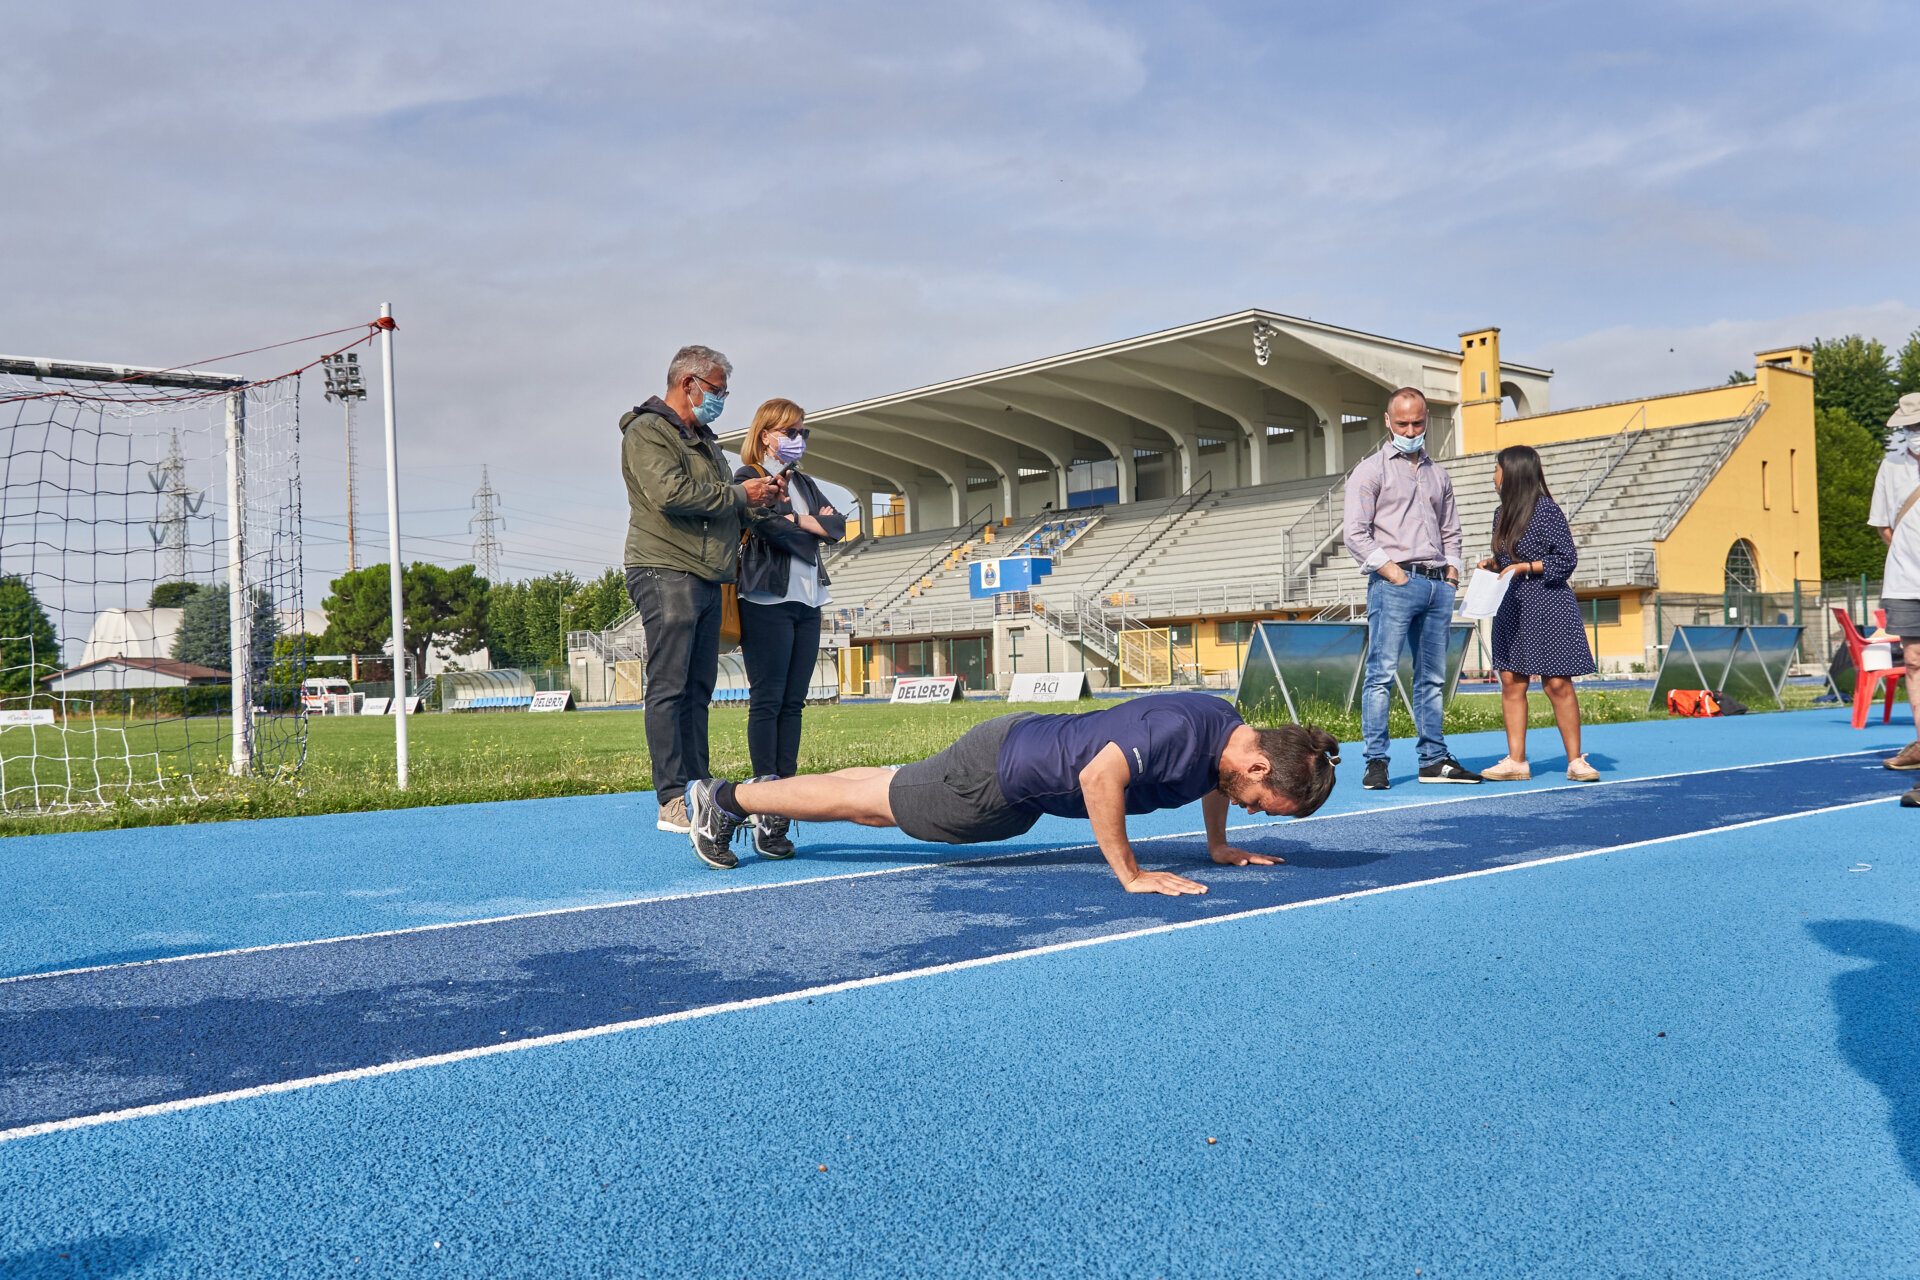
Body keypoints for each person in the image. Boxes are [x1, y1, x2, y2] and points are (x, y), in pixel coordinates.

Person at [681, 690, 1340, 891]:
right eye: (1259, 803)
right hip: (994, 779)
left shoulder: (1230, 731)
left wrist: (1218, 845)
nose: (1249, 808)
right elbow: (1097, 777)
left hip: (1014, 762)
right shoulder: (1180, 733)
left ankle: (763, 797)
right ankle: (728, 801)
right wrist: (1132, 874)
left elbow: (1216, 785)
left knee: (880, 790)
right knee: (872, 806)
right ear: (1258, 767)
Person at [621, 345, 785, 834]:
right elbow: (670, 494)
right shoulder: (647, 430)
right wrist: (740, 493)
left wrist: (761, 500)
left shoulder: (705, 440)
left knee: (697, 688)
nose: (721, 398)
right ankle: (671, 797)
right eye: (717, 389)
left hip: (709, 573)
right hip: (665, 566)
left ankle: (698, 786)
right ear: (687, 383)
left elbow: (723, 504)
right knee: (670, 685)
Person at [1343, 386, 1481, 790]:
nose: (1410, 429)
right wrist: (1393, 573)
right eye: (1401, 422)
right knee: (1381, 675)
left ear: (1427, 421)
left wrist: (1452, 577)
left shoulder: (1440, 474)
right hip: (1394, 583)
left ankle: (1433, 760)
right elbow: (1354, 533)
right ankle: (1376, 762)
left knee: (1433, 678)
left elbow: (1452, 532)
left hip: (1438, 586)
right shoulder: (1370, 470)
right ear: (1388, 421)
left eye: (1417, 422)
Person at [732, 398, 847, 857]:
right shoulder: (746, 479)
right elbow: (772, 531)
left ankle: (784, 805)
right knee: (768, 701)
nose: (798, 440)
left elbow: (838, 527)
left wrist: (800, 517)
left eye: (802, 432)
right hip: (766, 599)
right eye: (790, 431)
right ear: (766, 434)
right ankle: (765, 805)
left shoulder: (804, 482)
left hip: (807, 600)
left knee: (794, 704)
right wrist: (809, 526)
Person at [1472, 445, 1601, 783]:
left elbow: (1566, 560)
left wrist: (1524, 567)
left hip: (1548, 603)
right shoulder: (1501, 514)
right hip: (1512, 604)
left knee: (1557, 682)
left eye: (1497, 469)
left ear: (1512, 472)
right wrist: (1495, 563)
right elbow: (1508, 558)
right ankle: (1516, 761)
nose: (1493, 475)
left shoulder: (1546, 511)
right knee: (1511, 681)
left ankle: (1576, 761)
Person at [1869, 392, 1920, 808]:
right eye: (1910, 427)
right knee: (1915, 663)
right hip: (1906, 581)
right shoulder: (1892, 466)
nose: (1915, 434)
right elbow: (1885, 526)